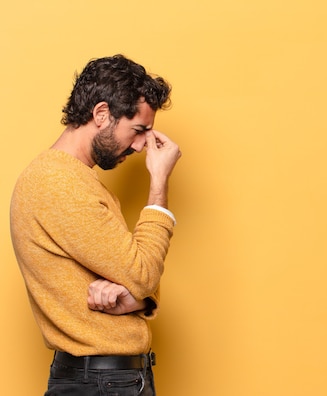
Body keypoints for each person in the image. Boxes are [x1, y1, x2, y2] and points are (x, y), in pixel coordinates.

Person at [10, 54, 181, 395]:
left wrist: (141, 299)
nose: (140, 146)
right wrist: (159, 181)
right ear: (102, 114)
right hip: (100, 382)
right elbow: (143, 273)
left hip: (106, 380)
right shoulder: (57, 183)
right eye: (138, 131)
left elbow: (138, 279)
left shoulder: (75, 181)